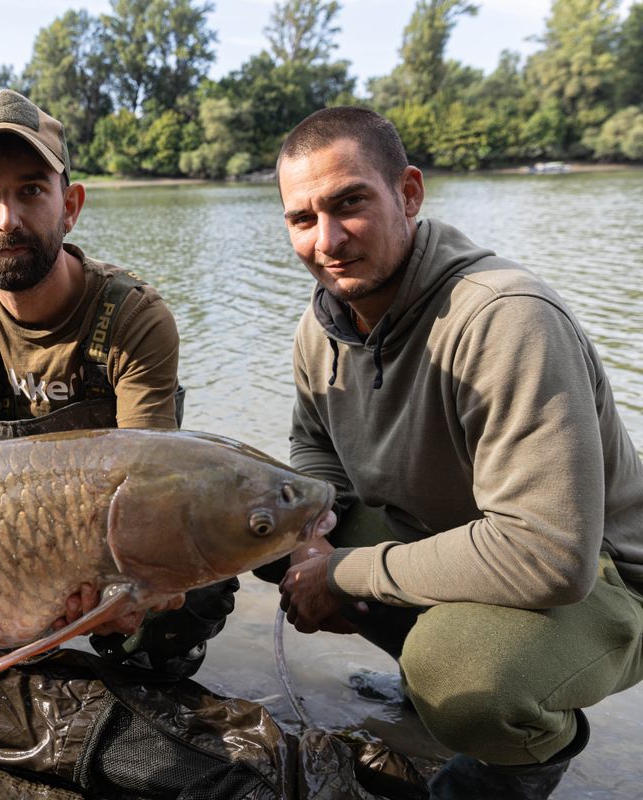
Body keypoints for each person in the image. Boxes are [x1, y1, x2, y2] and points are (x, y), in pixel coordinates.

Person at [268, 106, 643, 799]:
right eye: (302, 219)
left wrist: (344, 574)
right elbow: (312, 446)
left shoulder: (507, 318)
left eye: (351, 203)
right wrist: (308, 547)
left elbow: (549, 556)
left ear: (409, 194)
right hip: (455, 537)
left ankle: (523, 752)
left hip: (603, 576)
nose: (328, 241)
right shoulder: (320, 326)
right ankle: (423, 674)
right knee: (258, 519)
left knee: (462, 679)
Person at [0, 88, 235, 678]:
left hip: (112, 532)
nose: (8, 219)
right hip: (9, 531)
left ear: (70, 205)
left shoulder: (133, 316)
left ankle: (156, 661)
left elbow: (152, 484)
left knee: (198, 579)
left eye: (31, 190)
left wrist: (121, 595)